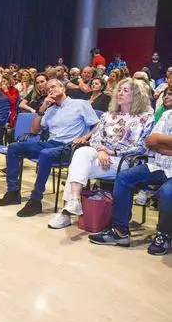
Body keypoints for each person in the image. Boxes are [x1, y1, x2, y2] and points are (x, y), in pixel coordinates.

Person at [48, 79, 154, 229]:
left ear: (137, 95)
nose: (120, 93)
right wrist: (101, 150)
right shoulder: (108, 115)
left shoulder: (145, 117)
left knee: (76, 168)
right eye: (119, 89)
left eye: (125, 90)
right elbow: (96, 137)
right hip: (101, 156)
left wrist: (114, 151)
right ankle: (73, 202)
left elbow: (142, 146)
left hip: (125, 160)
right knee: (82, 152)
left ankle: (66, 213)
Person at [0, 79, 99, 217]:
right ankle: (13, 192)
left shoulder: (80, 104)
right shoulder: (50, 109)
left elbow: (97, 125)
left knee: (45, 154)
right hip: (51, 143)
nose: (50, 90)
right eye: (48, 89)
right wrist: (42, 109)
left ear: (63, 88)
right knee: (13, 147)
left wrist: (86, 137)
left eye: (53, 87)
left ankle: (36, 200)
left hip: (70, 147)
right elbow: (34, 130)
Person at [88, 108, 172, 254]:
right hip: (158, 165)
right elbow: (151, 141)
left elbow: (158, 141)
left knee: (167, 192)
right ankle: (120, 232)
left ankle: (165, 235)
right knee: (124, 178)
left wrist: (162, 142)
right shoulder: (168, 114)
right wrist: (160, 142)